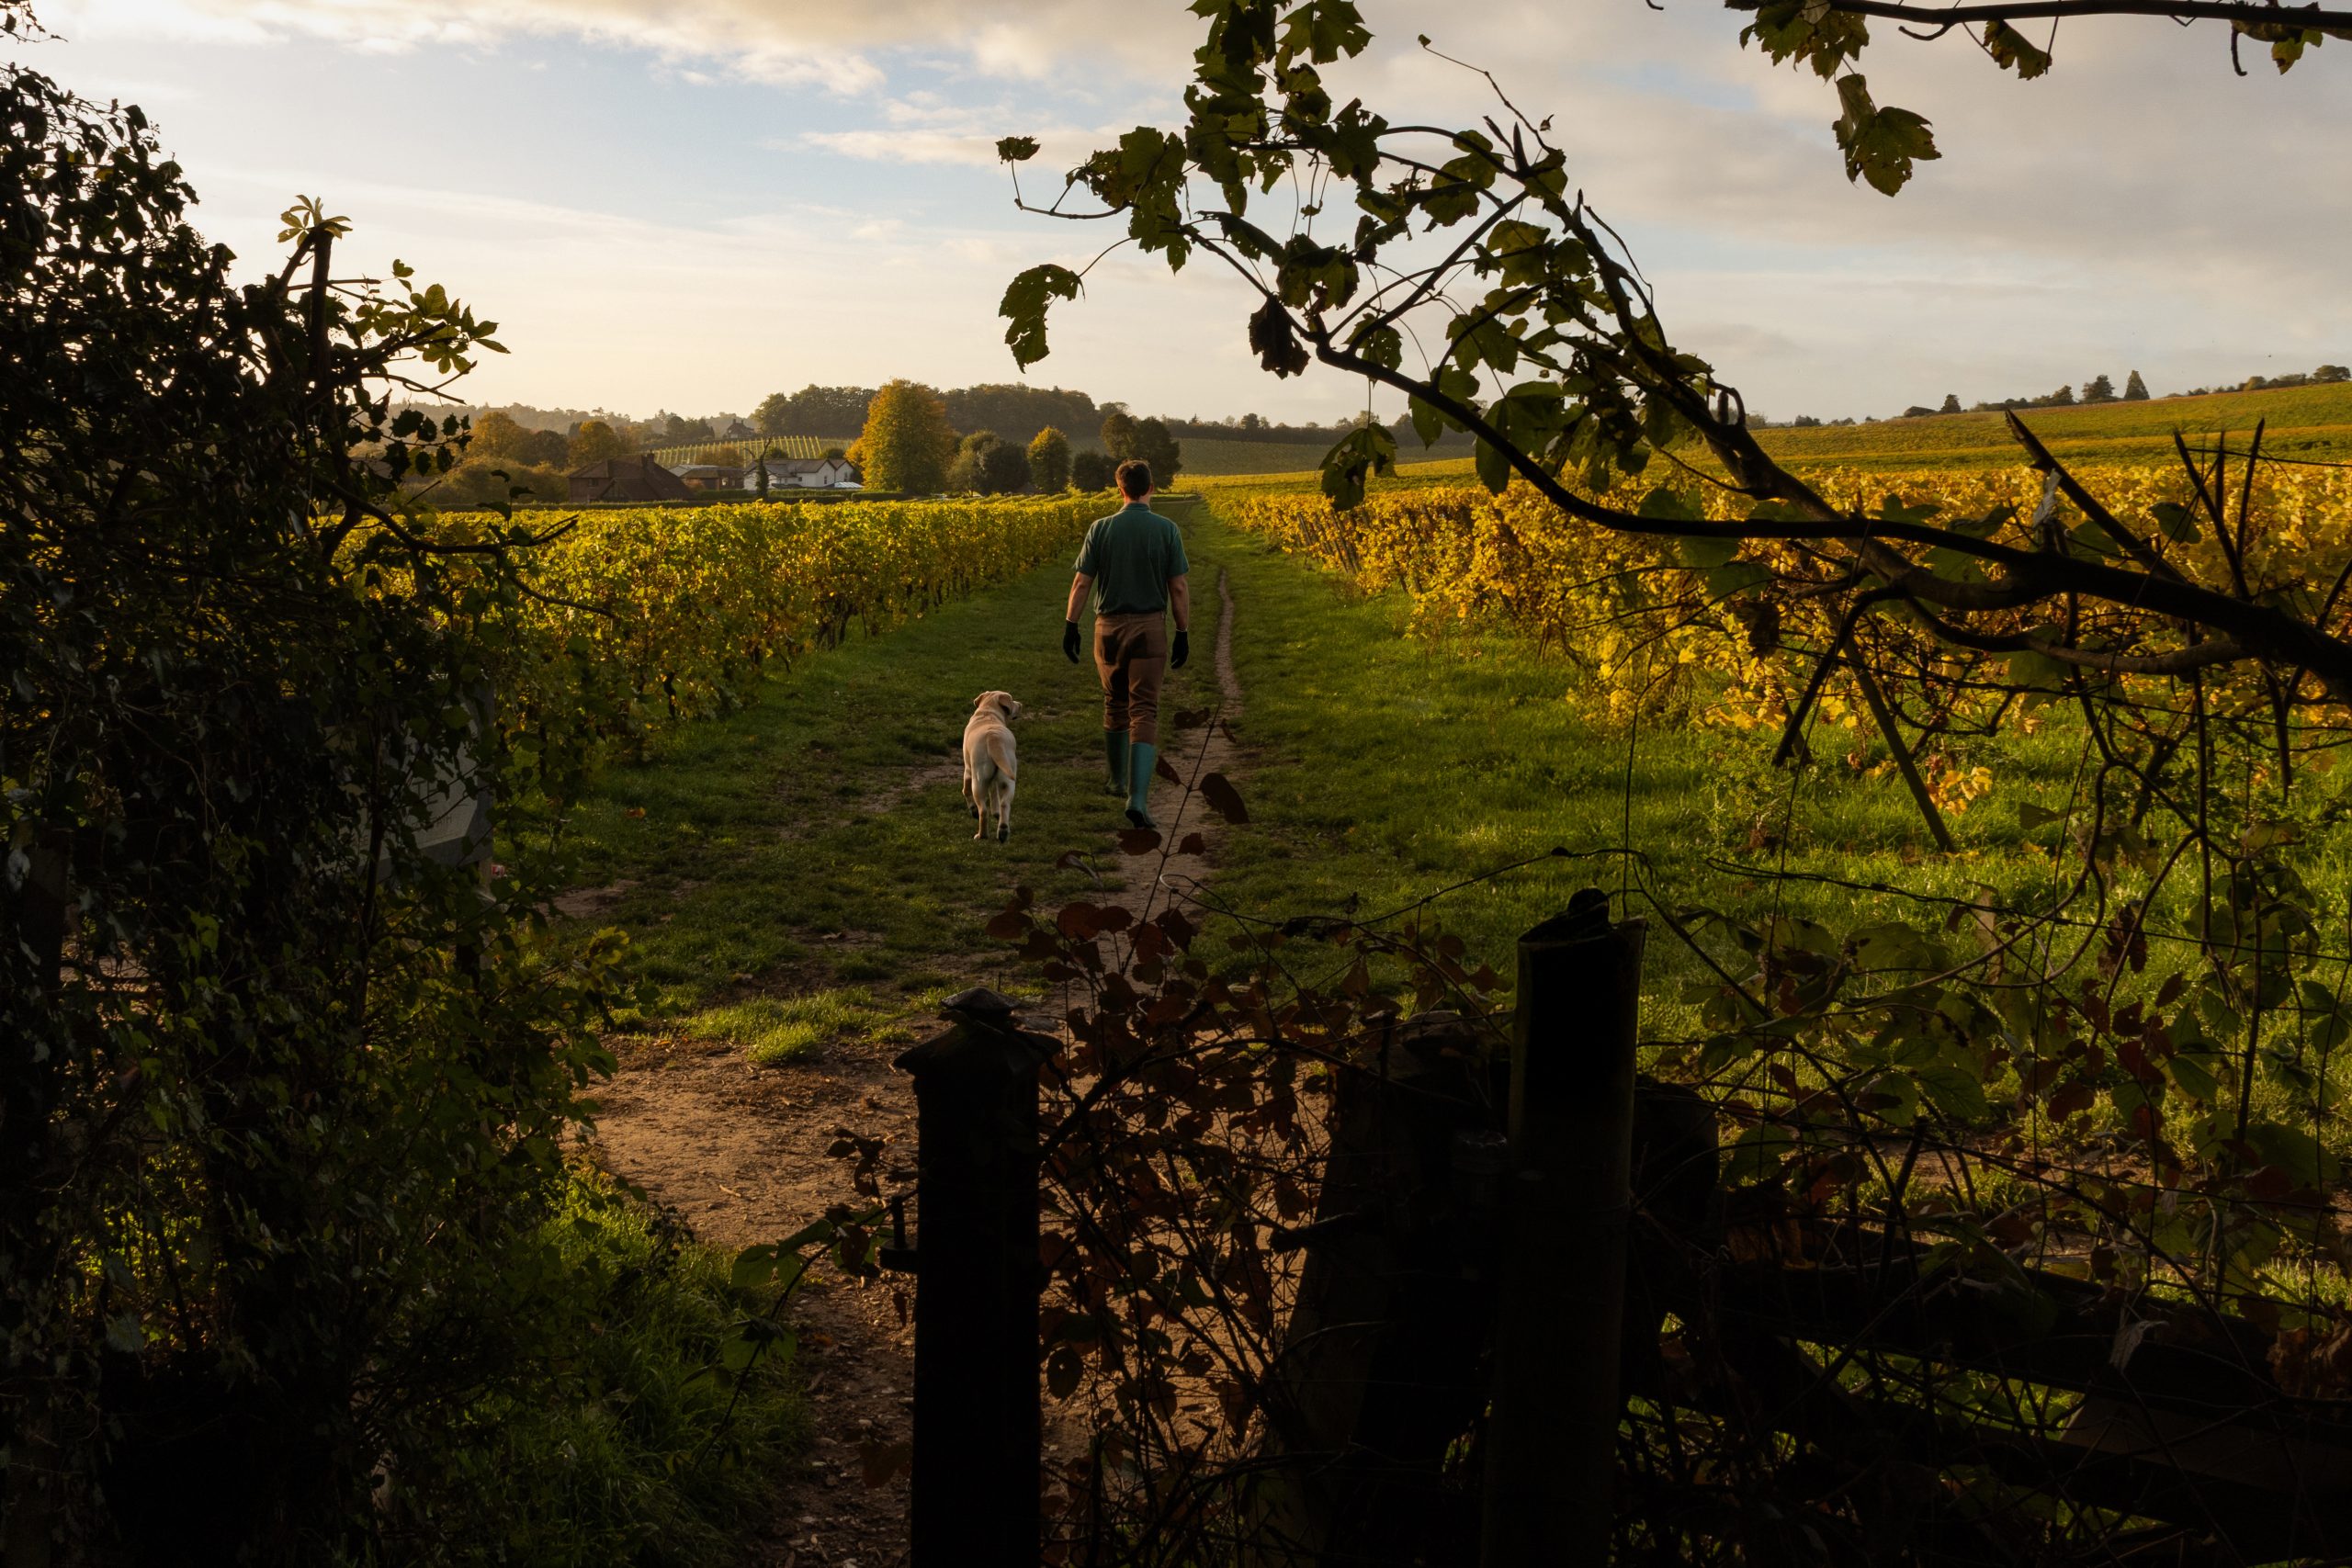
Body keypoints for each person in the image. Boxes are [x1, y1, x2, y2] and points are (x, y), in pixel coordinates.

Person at [1063, 459, 1190, 829]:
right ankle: (1137, 798)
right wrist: (1182, 632)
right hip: (1149, 627)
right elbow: (1178, 587)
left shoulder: (1100, 528)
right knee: (1144, 710)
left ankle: (1116, 780)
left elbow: (1082, 583)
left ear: (1120, 489)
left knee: (1114, 702)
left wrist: (1071, 624)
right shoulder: (1166, 530)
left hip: (1108, 628)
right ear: (1152, 487)